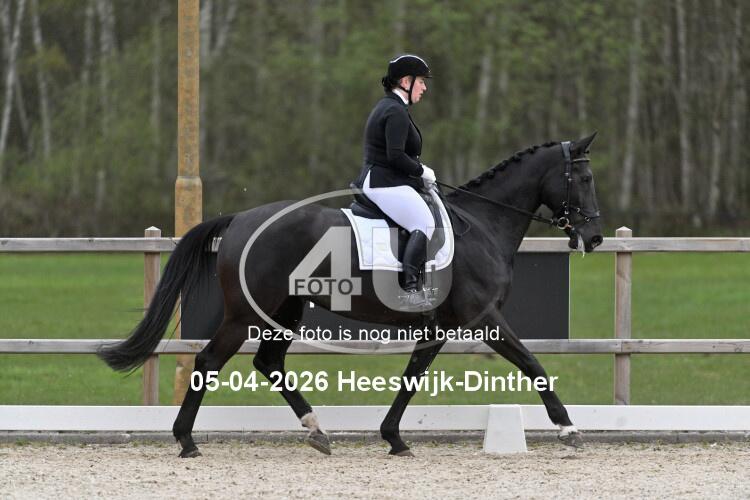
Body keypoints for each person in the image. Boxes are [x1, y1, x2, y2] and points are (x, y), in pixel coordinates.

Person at [353, 54, 437, 311]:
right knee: (424, 222)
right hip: (383, 182)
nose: (424, 88)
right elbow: (396, 156)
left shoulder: (393, 107)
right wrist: (421, 171)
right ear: (405, 82)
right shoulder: (395, 111)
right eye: (421, 82)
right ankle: (409, 290)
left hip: (387, 180)